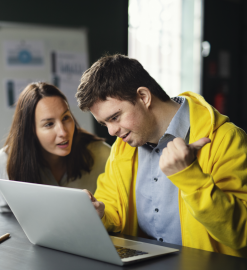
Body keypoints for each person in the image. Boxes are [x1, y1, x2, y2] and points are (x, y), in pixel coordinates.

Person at [76, 54, 247, 258]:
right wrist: (100, 213)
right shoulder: (122, 148)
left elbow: (241, 233)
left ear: (143, 97)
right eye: (105, 123)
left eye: (115, 117)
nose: (111, 131)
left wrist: (189, 176)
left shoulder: (226, 139)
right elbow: (114, 208)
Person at [0, 82, 110, 212]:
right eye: (49, 124)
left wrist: (104, 211)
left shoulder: (102, 154)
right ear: (31, 130)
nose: (63, 132)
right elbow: (4, 219)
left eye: (65, 118)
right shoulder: (4, 163)